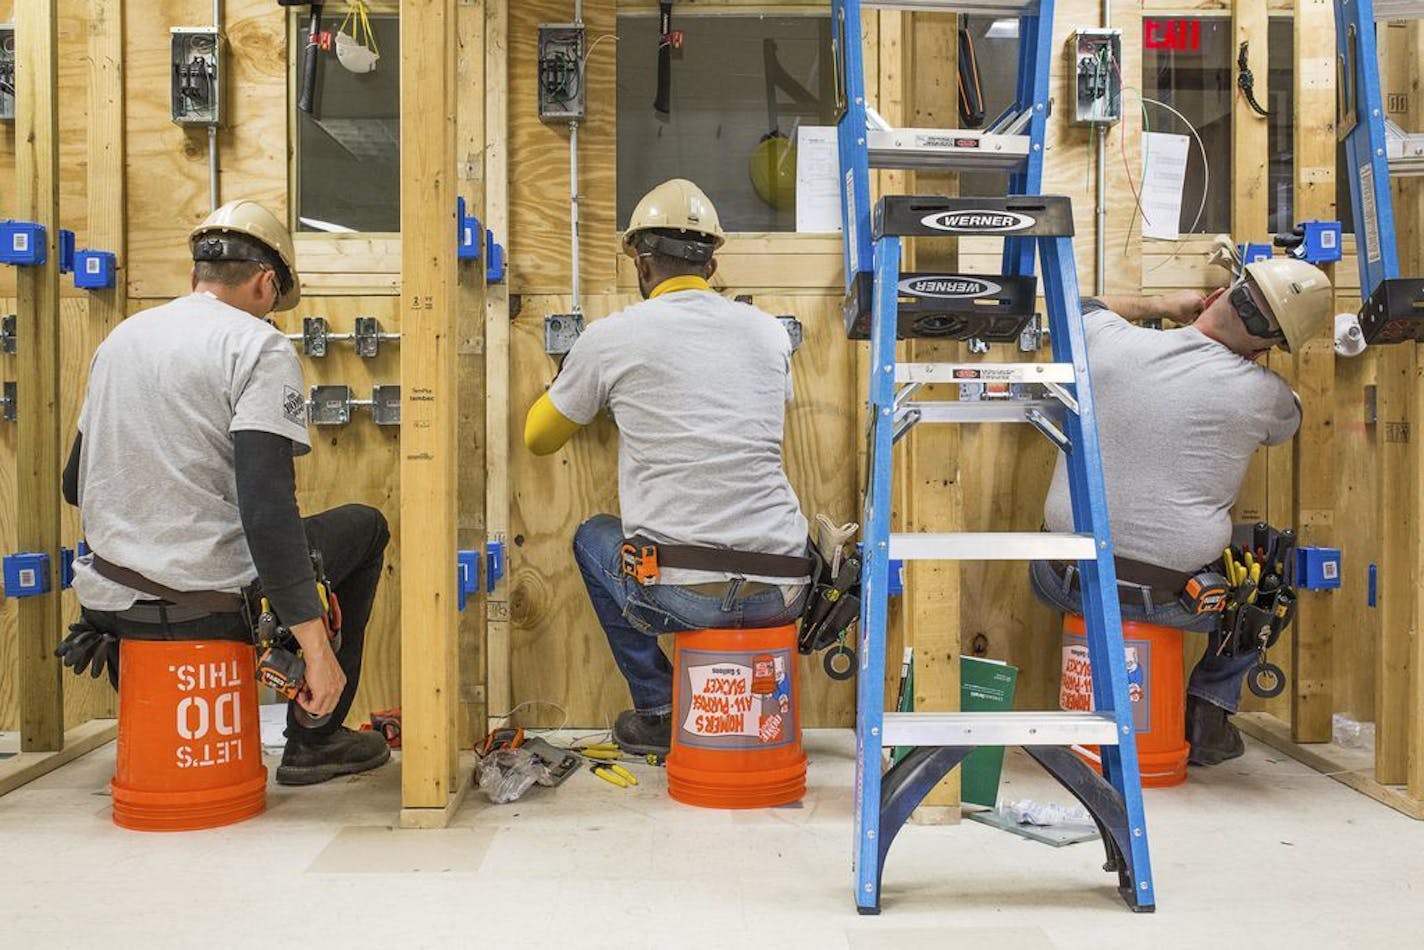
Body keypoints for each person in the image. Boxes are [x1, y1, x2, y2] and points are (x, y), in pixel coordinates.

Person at [61, 199, 392, 786]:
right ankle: (316, 739)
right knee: (365, 526)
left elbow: (72, 484)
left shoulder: (122, 338)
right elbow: (266, 511)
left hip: (109, 601)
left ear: (196, 277)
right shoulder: (257, 346)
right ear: (267, 284)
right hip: (206, 602)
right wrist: (316, 649)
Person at [523, 179, 812, 757]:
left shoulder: (612, 338)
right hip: (784, 586)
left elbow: (538, 437)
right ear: (712, 260)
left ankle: (657, 710)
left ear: (641, 260)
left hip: (682, 592)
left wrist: (576, 381)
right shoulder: (767, 332)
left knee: (591, 536)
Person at [1029, 259, 1333, 766]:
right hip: (1174, 600)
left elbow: (1078, 306)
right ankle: (1209, 710)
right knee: (1266, 569)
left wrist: (1162, 306)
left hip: (1060, 578)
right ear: (1264, 348)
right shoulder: (1265, 393)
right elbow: (1290, 422)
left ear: (1216, 298)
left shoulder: (1109, 341)